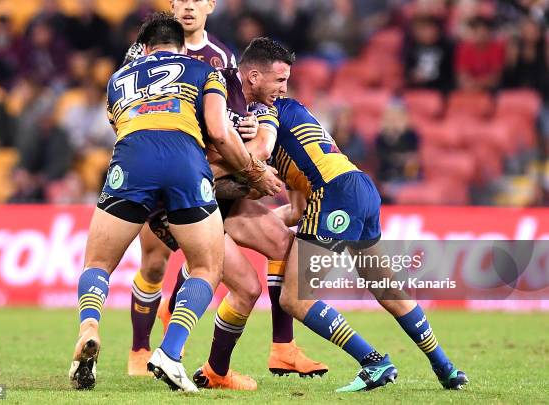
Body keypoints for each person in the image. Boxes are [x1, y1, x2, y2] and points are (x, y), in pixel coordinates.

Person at [68, 12, 280, 393]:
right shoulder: (204, 70)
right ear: (182, 47)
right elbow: (218, 130)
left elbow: (120, 125)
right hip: (185, 162)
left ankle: (89, 328)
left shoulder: (118, 79)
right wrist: (252, 172)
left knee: (98, 263)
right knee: (205, 267)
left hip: (132, 161)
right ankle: (170, 351)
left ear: (146, 48)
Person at [242, 37, 468, 392]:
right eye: (280, 81)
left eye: (286, 82)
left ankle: (374, 362)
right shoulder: (298, 117)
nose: (283, 88)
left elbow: (262, 147)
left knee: (293, 298)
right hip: (359, 187)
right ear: (254, 76)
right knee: (387, 288)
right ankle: (446, 368)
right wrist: (260, 224)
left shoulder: (263, 110)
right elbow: (299, 210)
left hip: (333, 193)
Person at [127, 0, 327, 386]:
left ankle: (280, 347)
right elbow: (213, 148)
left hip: (219, 197)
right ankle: (157, 344)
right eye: (280, 82)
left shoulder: (225, 65)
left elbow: (248, 141)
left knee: (286, 249)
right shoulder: (160, 60)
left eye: (195, 0)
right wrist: (251, 172)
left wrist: (254, 162)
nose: (283, 91)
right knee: (164, 265)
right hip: (177, 189)